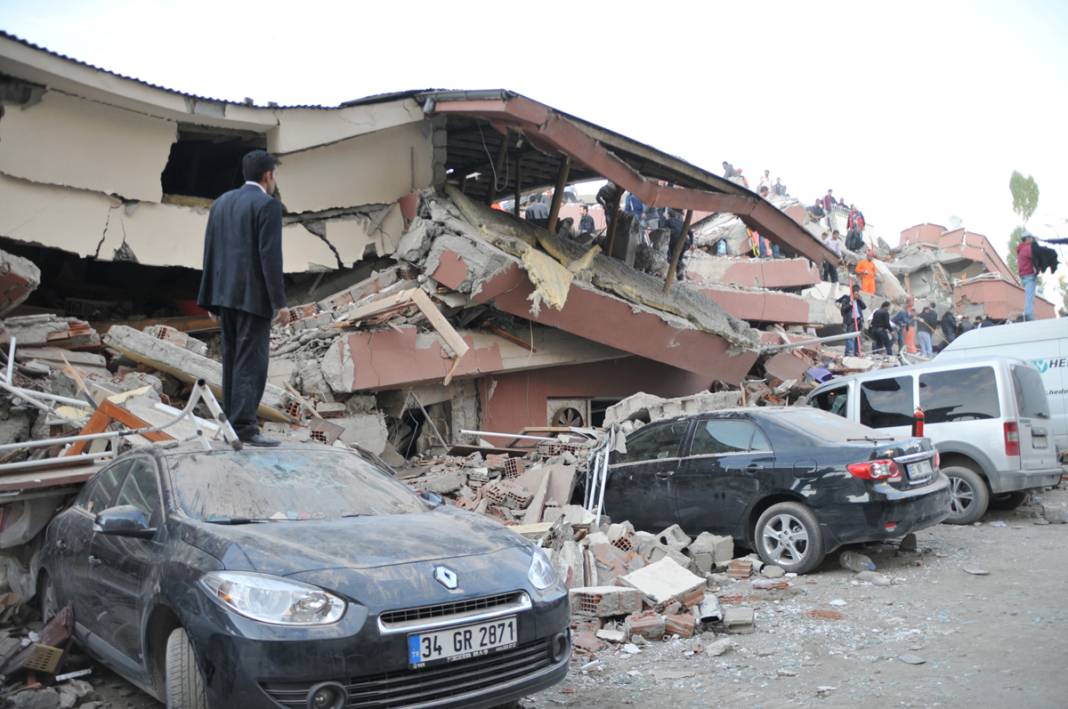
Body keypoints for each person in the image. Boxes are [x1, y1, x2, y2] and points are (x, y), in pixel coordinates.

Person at [197, 150, 290, 447]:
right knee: (252, 363)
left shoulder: (221, 203)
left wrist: (210, 298)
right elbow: (270, 258)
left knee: (232, 360)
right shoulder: (267, 205)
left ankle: (231, 423)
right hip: (253, 299)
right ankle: (245, 426)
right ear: (268, 176)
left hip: (224, 296)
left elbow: (211, 250)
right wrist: (280, 302)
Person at [837, 284, 867, 356]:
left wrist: (859, 299)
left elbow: (864, 307)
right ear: (852, 292)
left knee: (858, 337)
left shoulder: (859, 299)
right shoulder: (846, 299)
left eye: (858, 292)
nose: (857, 293)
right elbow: (843, 310)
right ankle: (849, 353)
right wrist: (851, 303)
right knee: (850, 337)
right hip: (850, 321)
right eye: (856, 292)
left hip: (859, 320)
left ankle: (856, 352)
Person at [1017, 230, 1037, 321]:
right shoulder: (1028, 248)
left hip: (1025, 276)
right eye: (1031, 238)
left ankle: (1029, 316)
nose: (1033, 240)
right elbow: (1036, 257)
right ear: (1027, 239)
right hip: (1029, 275)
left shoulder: (1021, 249)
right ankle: (1029, 317)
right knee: (1030, 298)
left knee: (1029, 296)